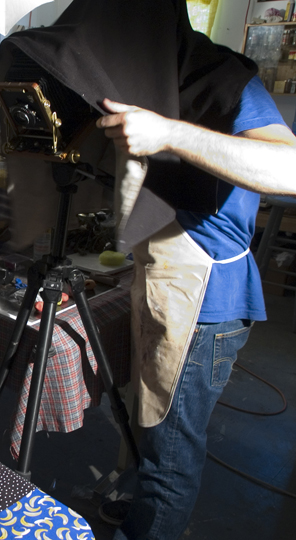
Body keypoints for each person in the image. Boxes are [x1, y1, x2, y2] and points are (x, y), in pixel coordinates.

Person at [97, 59, 296, 540]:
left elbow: (290, 169)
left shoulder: (227, 77)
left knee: (170, 458)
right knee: (154, 426)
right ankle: (147, 508)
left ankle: (154, 522)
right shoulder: (147, 73)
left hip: (204, 303)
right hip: (164, 286)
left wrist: (168, 132)